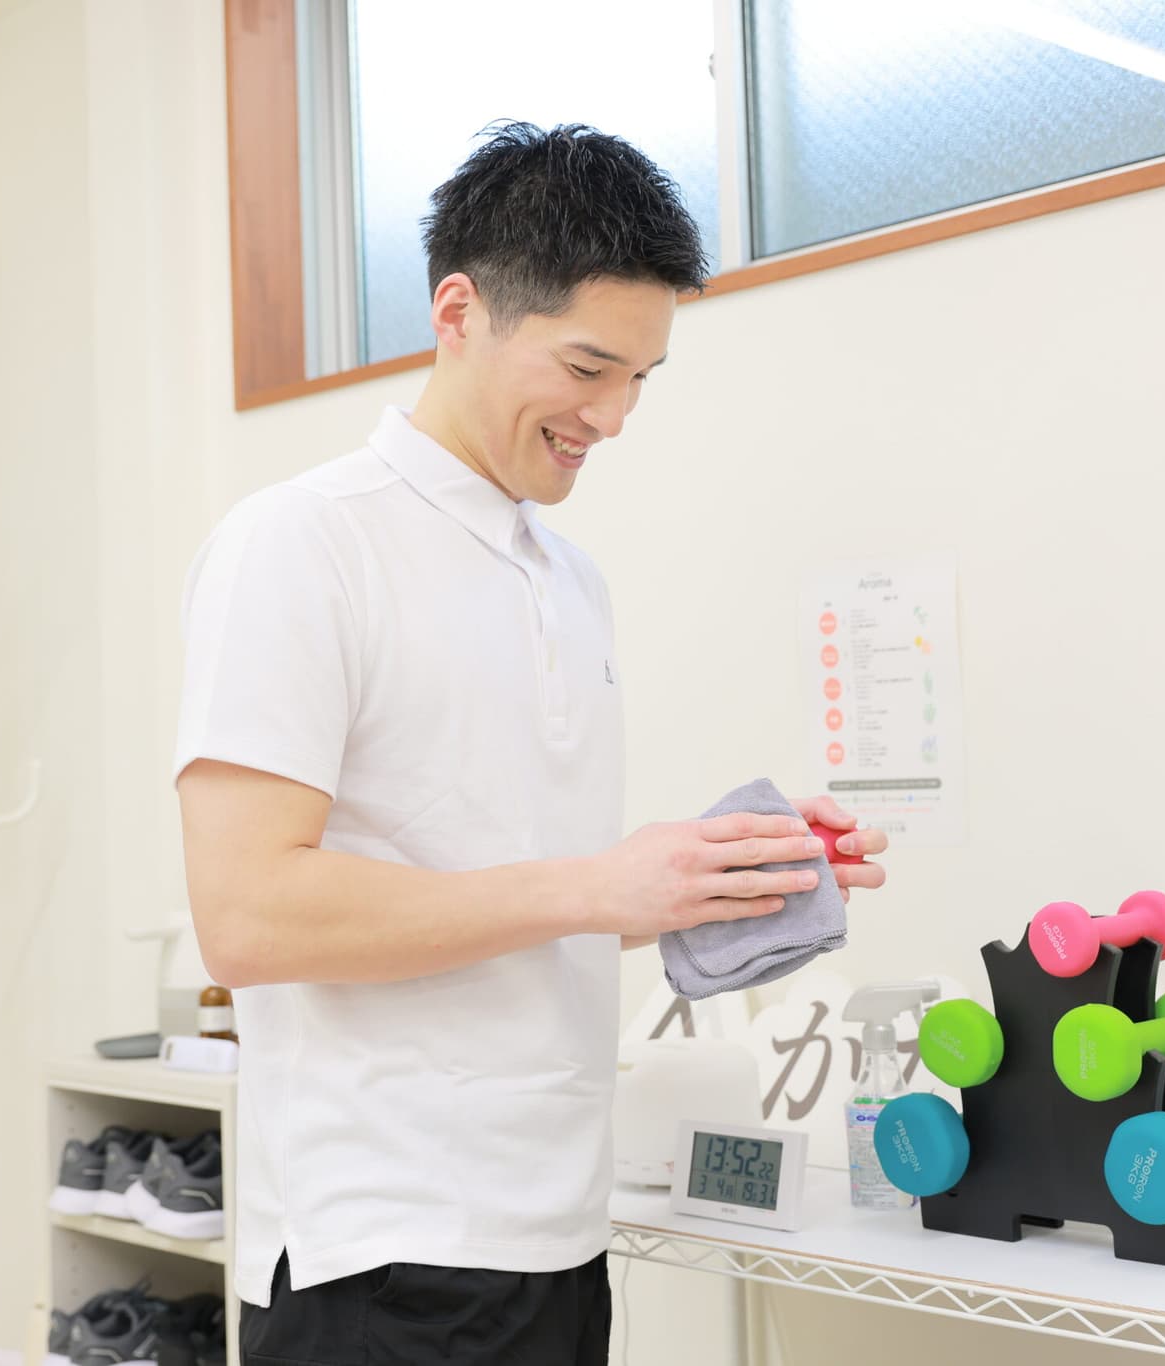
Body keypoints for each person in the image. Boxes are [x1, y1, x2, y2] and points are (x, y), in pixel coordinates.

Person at [173, 122, 888, 1366]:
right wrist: (599, 885)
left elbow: (524, 895)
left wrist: (713, 875)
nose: (610, 417)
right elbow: (246, 915)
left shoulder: (569, 579)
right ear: (459, 312)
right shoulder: (300, 543)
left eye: (640, 379)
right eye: (586, 366)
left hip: (558, 1233)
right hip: (379, 1252)